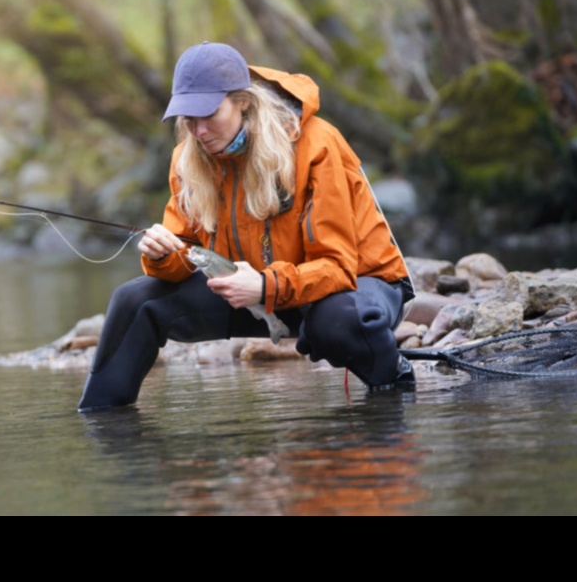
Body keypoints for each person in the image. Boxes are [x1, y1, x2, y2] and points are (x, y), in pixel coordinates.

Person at [78, 42, 415, 412]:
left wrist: (265, 285)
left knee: (337, 322)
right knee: (134, 300)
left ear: (243, 101)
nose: (199, 130)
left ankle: (394, 383)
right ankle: (102, 422)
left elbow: (337, 268)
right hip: (258, 294)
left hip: (356, 286)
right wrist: (162, 255)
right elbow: (186, 251)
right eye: (188, 119)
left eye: (209, 114)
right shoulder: (188, 157)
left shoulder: (316, 144)